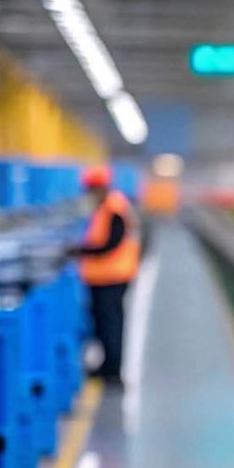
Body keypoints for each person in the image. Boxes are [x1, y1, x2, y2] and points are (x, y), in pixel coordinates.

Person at [72, 165, 141, 385]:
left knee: (111, 324)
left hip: (112, 277)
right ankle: (107, 366)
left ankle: (114, 370)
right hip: (102, 277)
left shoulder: (114, 208)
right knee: (103, 324)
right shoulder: (104, 207)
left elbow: (112, 242)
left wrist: (82, 251)